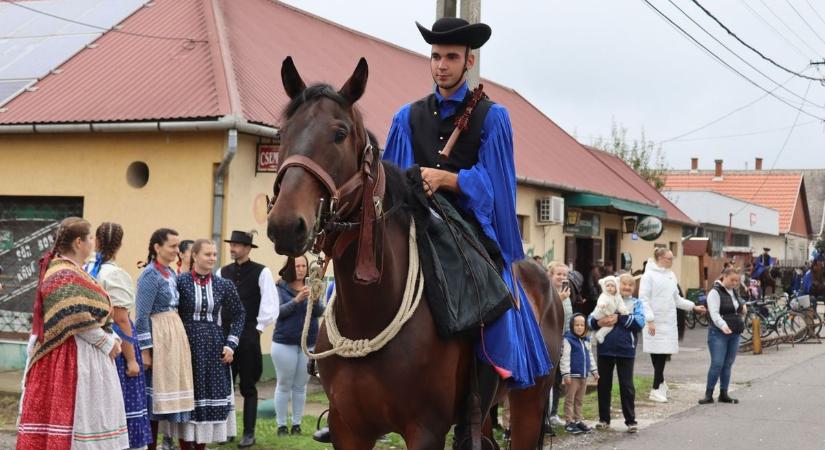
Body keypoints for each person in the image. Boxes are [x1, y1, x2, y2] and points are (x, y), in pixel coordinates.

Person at [383, 18, 552, 440]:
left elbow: (499, 187)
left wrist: (450, 180)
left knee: (490, 292)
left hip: (471, 228)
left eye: (451, 57)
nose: (442, 65)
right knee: (357, 279)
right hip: (418, 222)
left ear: (468, 61)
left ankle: (480, 390)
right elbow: (389, 181)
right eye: (436, 57)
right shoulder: (407, 117)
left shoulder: (493, 118)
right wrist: (411, 182)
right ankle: (348, 394)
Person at [17, 217, 129, 450]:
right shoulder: (62, 273)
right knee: (76, 423)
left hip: (86, 354)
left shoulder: (73, 270)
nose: (93, 243)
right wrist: (107, 342)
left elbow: (92, 314)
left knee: (92, 419)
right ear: (79, 242)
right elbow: (74, 315)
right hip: (68, 355)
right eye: (90, 238)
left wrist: (112, 336)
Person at [164, 239, 245, 449]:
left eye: (215, 254)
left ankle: (201, 446)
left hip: (213, 347)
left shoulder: (223, 284)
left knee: (208, 400)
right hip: (185, 347)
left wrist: (230, 344)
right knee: (186, 401)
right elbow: (168, 312)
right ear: (195, 256)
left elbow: (239, 314)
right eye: (208, 254)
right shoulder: (180, 281)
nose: (212, 258)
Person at [87, 222, 153, 450]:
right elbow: (121, 319)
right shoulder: (114, 274)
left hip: (90, 340)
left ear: (95, 240)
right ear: (120, 244)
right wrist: (132, 359)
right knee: (122, 402)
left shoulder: (86, 269)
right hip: (115, 342)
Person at [218, 230, 279, 448]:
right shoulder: (222, 272)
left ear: (247, 248)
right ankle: (226, 431)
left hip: (249, 335)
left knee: (248, 387)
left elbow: (271, 304)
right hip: (224, 334)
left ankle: (249, 433)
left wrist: (258, 329)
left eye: (236, 245)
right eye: (231, 244)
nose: (232, 248)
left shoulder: (262, 272)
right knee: (225, 386)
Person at [135, 228, 195, 450]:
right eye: (172, 246)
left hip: (174, 337)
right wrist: (145, 350)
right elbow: (141, 316)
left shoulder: (170, 273)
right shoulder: (150, 276)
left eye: (178, 246)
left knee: (176, 395)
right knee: (155, 399)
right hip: (159, 337)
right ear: (157, 247)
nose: (176, 250)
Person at [640, 248, 706, 403]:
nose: (672, 261)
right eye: (670, 258)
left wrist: (693, 306)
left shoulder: (671, 275)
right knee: (656, 354)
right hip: (654, 321)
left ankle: (659, 383)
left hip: (668, 321)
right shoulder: (648, 276)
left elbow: (677, 299)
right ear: (660, 258)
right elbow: (643, 299)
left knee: (662, 354)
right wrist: (649, 319)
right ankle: (656, 388)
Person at [272, 255, 324, 436]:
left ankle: (296, 424)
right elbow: (277, 312)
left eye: (304, 265)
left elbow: (320, 312)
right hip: (284, 342)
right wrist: (296, 300)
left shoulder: (312, 286)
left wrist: (315, 299)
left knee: (301, 386)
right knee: (284, 383)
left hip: (308, 343)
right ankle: (281, 425)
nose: (301, 269)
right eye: (297, 266)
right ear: (289, 268)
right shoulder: (279, 287)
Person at [589, 273, 645, 433]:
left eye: (631, 285)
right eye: (624, 284)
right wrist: (599, 322)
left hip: (626, 350)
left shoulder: (636, 303)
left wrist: (618, 318)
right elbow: (590, 320)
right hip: (605, 349)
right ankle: (604, 419)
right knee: (604, 385)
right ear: (617, 284)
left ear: (634, 288)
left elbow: (640, 322)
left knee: (627, 386)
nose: (627, 287)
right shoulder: (605, 299)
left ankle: (631, 421)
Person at [699, 267, 747, 405]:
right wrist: (723, 326)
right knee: (717, 363)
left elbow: (738, 304)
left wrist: (743, 306)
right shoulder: (714, 292)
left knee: (728, 364)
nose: (734, 283)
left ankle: (724, 393)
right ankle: (708, 394)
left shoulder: (733, 291)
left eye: (737, 281)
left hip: (734, 331)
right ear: (724, 277)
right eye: (732, 280)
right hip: (719, 332)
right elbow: (714, 313)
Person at [559, 314, 598, 435]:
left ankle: (578, 420)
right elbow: (564, 358)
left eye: (582, 325)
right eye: (577, 325)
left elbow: (590, 356)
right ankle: (569, 422)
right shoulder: (568, 339)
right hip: (573, 376)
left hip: (584, 375)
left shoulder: (586, 339)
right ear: (572, 326)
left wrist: (594, 371)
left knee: (579, 400)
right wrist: (566, 374)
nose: (580, 327)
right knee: (570, 399)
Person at [546, 261, 573, 430]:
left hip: (563, 338)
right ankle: (544, 415)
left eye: (565, 275)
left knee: (557, 379)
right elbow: (546, 314)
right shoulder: (546, 291)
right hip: (548, 339)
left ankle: (553, 413)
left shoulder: (566, 292)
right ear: (550, 275)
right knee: (547, 379)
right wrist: (558, 299)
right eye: (559, 274)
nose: (562, 277)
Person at [591, 276, 628, 344]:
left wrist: (623, 310)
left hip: (608, 314)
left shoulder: (618, 296)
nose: (610, 287)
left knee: (610, 325)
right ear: (604, 287)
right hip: (601, 312)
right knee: (601, 324)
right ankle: (595, 336)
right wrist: (602, 304)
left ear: (616, 287)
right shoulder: (604, 295)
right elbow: (600, 301)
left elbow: (620, 304)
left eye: (612, 286)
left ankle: (599, 335)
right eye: (607, 286)